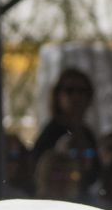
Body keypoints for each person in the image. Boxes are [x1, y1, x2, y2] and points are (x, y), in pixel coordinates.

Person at [33, 67, 100, 198]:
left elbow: (94, 174)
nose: (76, 96)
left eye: (82, 91)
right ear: (57, 96)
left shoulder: (87, 133)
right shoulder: (50, 134)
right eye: (70, 91)